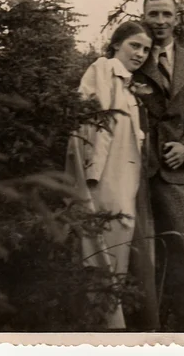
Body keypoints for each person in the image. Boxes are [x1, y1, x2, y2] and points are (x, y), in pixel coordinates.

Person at [65, 21, 158, 331]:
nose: (140, 53)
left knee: (117, 245)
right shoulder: (103, 68)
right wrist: (92, 175)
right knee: (101, 245)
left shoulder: (128, 82)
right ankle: (104, 327)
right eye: (134, 45)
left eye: (146, 49)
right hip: (104, 176)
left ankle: (111, 324)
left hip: (123, 177)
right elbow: (95, 122)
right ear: (117, 43)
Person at [134, 0, 184, 332]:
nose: (160, 21)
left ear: (177, 19)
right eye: (154, 14)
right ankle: (141, 331)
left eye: (167, 14)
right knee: (139, 255)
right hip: (134, 172)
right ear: (144, 17)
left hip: (175, 174)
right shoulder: (133, 55)